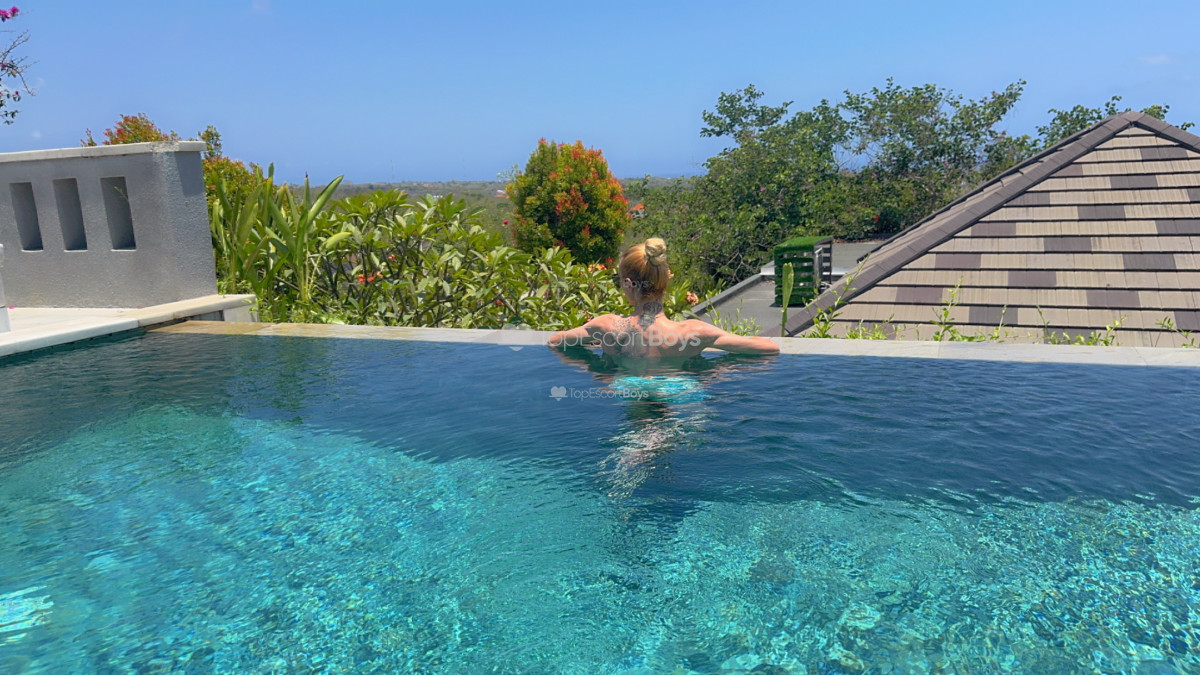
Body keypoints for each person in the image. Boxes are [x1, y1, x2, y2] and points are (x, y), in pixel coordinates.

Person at [547, 237, 779, 361]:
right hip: (676, 405)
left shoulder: (606, 327)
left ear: (628, 283)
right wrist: (717, 371)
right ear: (666, 280)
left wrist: (593, 366)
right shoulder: (693, 332)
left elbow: (556, 341)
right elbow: (769, 348)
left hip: (630, 403)